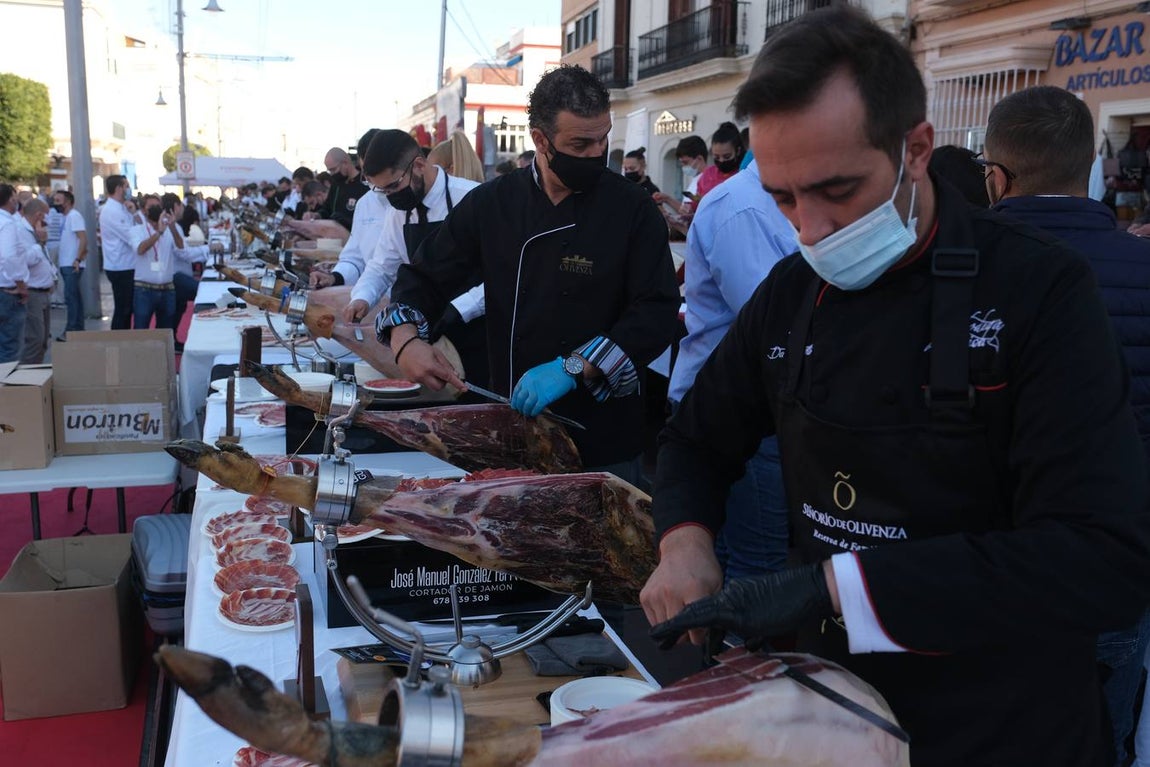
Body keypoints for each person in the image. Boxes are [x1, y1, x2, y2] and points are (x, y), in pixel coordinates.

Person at [640, 7, 1150, 767]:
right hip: (828, 714)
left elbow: (1101, 557)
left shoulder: (1039, 291)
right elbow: (696, 438)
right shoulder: (791, 292)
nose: (810, 229)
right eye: (783, 198)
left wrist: (834, 588)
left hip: (1001, 724)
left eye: (837, 189)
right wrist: (684, 541)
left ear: (915, 149)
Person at [380, 65, 681, 482]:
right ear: (540, 140)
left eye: (603, 139)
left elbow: (656, 311)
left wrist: (574, 367)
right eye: (580, 144)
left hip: (604, 434)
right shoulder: (492, 204)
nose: (596, 154)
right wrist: (405, 340)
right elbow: (424, 275)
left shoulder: (633, 208)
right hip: (514, 424)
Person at [982, 84, 1150, 767]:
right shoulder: (1140, 265)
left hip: (978, 566)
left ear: (996, 178)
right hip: (1112, 567)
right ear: (1088, 169)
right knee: (1102, 732)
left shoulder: (951, 271)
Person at [668, 161, 795, 581]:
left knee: (728, 560)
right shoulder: (743, 207)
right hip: (741, 409)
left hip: (754, 403)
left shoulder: (773, 199)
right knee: (756, 562)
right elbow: (773, 321)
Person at [344, 129, 487, 382]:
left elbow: (502, 274)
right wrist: (362, 297)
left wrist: (460, 308)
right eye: (382, 191)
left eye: (394, 186)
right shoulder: (399, 212)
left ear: (419, 165)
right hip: (425, 331)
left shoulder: (473, 197)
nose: (390, 197)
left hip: (479, 331)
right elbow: (382, 265)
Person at [310, 129, 390, 289]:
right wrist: (335, 277)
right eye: (367, 177)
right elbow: (355, 256)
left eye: (333, 169)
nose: (372, 183)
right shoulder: (365, 202)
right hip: (371, 287)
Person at [13, 199, 55, 364]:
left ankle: (35, 372)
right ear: (39, 215)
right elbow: (26, 260)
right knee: (34, 339)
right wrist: (40, 243)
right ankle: (26, 375)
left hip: (43, 291)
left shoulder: (35, 232)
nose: (47, 221)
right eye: (46, 216)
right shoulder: (21, 231)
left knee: (43, 340)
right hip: (33, 292)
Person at [98, 174, 137, 329]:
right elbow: (131, 236)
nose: (129, 189)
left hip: (126, 264)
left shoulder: (122, 208)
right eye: (126, 186)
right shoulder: (112, 211)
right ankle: (118, 338)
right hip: (120, 266)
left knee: (127, 308)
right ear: (119, 188)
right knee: (123, 309)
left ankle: (123, 337)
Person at [52, 190, 87, 337]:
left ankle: (71, 329)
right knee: (74, 297)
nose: (55, 203)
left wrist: (77, 259)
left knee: (71, 297)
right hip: (66, 263)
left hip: (72, 263)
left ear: (68, 202)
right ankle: (77, 328)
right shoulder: (65, 217)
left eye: (58, 200)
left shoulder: (74, 216)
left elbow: (83, 238)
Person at [0, 184, 27, 362]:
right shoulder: (8, 224)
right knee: (9, 349)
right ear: (10, 199)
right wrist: (20, 285)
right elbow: (9, 256)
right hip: (7, 291)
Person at [319, 147, 367, 230]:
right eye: (329, 171)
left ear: (345, 162)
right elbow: (327, 208)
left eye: (333, 169)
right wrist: (317, 215)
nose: (332, 174)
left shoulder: (364, 183)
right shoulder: (336, 184)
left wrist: (345, 221)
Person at [695, 121, 744, 200]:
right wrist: (690, 205)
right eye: (716, 157)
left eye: (727, 156)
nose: (721, 160)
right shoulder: (707, 174)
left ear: (738, 151)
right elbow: (697, 199)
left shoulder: (744, 174)